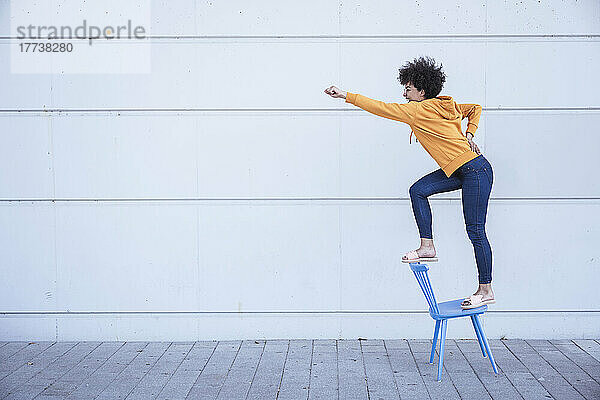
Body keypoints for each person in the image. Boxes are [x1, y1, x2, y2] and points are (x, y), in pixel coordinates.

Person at [324, 56, 494, 309]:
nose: (404, 92)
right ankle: (427, 246)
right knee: (418, 190)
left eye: (408, 88)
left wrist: (345, 95)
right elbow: (475, 108)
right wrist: (469, 133)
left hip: (475, 171)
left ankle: (485, 289)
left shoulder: (417, 110)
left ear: (421, 91)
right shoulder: (444, 105)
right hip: (462, 169)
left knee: (475, 230)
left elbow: (380, 107)